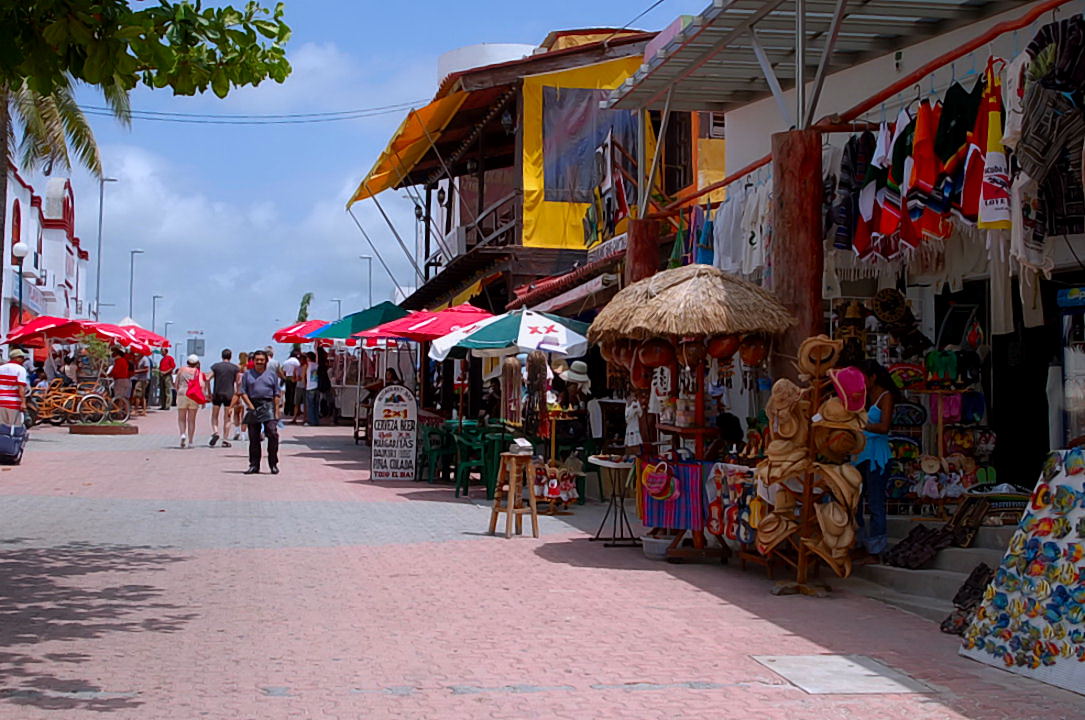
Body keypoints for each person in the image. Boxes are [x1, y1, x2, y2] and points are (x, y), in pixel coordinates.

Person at [853, 359, 899, 559]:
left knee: (875, 503)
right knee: (855, 501)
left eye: (864, 379)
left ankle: (877, 548)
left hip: (877, 457)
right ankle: (859, 543)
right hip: (860, 455)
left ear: (873, 377)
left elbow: (884, 427)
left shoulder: (885, 397)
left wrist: (861, 426)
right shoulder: (864, 397)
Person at [238, 349, 281, 474]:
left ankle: (273, 463)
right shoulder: (247, 374)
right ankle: (254, 465)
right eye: (257, 360)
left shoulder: (272, 375)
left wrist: (277, 411)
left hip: (268, 405)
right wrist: (250, 406)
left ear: (266, 361)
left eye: (262, 360)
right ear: (253, 361)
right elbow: (242, 391)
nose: (259, 362)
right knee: (254, 437)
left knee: (272, 433)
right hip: (253, 404)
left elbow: (277, 393)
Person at [209, 348, 240, 448]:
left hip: (217, 393)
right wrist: (238, 394)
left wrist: (209, 392)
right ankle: (225, 439)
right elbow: (238, 382)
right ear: (230, 356)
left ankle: (215, 432)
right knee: (227, 417)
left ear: (222, 356)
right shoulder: (235, 368)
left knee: (214, 416)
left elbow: (207, 378)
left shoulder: (216, 367)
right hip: (229, 394)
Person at [175, 354, 207, 448]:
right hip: (194, 396)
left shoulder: (181, 370)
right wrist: (203, 399)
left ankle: (182, 434)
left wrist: (178, 390)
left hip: (182, 394)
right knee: (191, 420)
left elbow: (176, 383)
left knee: (181, 418)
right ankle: (191, 441)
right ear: (197, 363)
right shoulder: (198, 372)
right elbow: (202, 385)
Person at [0, 349, 29, 426]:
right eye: (22, 357)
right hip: (13, 402)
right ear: (16, 358)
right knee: (15, 427)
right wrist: (23, 402)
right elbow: (21, 387)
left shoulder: (1, 368)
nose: (23, 359)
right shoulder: (20, 369)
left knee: (2, 428)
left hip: (1, 402)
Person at [282, 350, 301, 418]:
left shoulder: (286, 361)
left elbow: (283, 372)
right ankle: (292, 411)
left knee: (287, 394)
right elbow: (297, 371)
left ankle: (286, 410)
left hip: (287, 378)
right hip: (294, 378)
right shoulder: (296, 361)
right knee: (293, 395)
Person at [304, 350, 320, 426]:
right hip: (317, 386)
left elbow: (303, 377)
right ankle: (316, 421)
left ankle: (311, 421)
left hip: (310, 387)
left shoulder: (307, 365)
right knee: (316, 406)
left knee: (310, 405)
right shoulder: (317, 365)